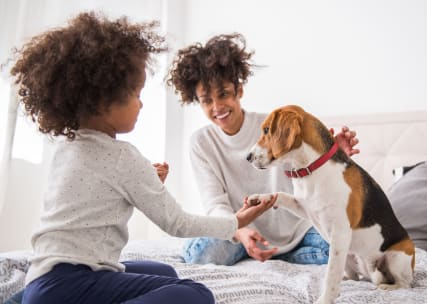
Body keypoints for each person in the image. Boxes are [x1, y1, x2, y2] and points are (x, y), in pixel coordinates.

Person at [8, 12, 275, 304]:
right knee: (196, 294)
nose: (141, 103)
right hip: (72, 285)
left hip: (43, 281)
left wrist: (142, 182)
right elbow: (178, 224)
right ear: (104, 98)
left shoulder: (67, 145)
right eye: (136, 93)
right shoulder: (122, 156)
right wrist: (236, 222)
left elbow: (95, 203)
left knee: (163, 272)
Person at [167, 33, 359, 266]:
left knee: (347, 249)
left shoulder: (274, 124)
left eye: (224, 94)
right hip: (240, 230)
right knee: (201, 254)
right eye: (207, 100)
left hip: (296, 230)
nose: (217, 107)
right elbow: (215, 204)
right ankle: (271, 254)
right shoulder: (201, 143)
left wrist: (331, 156)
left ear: (239, 91)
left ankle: (280, 255)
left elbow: (308, 173)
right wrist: (240, 232)